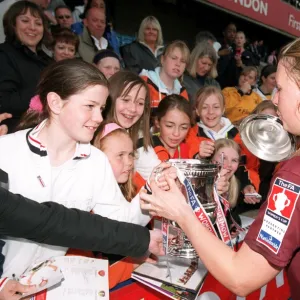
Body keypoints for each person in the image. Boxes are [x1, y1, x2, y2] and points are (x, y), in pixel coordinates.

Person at [140, 38, 300, 299]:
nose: (274, 96)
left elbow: (241, 277)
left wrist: (180, 212)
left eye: (281, 88)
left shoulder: (294, 175)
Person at [0, 59, 151, 279]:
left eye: (101, 109)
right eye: (90, 106)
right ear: (56, 103)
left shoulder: (96, 161)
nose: (99, 118)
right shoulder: (5, 151)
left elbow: (119, 224)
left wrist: (153, 190)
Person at [185, 86, 260, 200]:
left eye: (216, 107)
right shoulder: (190, 135)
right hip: (201, 199)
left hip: (232, 201)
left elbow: (248, 167)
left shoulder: (238, 136)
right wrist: (198, 157)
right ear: (197, 110)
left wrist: (247, 185)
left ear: (223, 109)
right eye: (204, 107)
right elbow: (184, 169)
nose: (211, 112)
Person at [0, 1, 51, 132]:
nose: (33, 27)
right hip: (16, 134)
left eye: (38, 23)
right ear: (12, 24)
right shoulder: (4, 54)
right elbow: (6, 102)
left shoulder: (49, 61)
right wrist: (48, 89)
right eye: (25, 21)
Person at [140, 40, 189, 116]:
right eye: (173, 58)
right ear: (163, 60)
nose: (178, 64)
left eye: (182, 61)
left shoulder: (182, 92)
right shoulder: (144, 83)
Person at [152, 95, 191, 160]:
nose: (176, 134)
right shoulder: (145, 150)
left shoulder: (191, 150)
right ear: (157, 122)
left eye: (184, 127)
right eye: (169, 126)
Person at [183, 41, 220, 106]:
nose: (206, 68)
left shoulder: (214, 84)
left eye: (209, 65)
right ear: (195, 60)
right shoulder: (182, 80)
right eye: (203, 63)